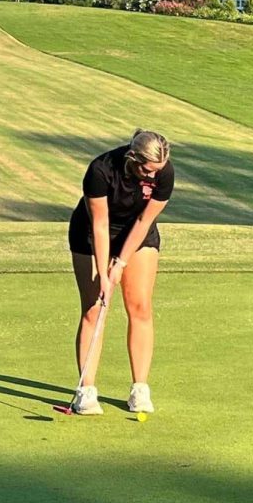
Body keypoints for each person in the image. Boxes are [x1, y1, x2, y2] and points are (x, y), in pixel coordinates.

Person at [67, 129, 174, 415]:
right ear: (133, 159)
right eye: (148, 171)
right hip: (91, 234)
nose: (153, 177)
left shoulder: (164, 173)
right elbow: (99, 225)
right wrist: (104, 273)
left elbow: (144, 219)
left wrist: (121, 262)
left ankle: (140, 389)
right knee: (94, 308)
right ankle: (86, 391)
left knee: (139, 306)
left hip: (136, 234)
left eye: (158, 171)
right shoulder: (101, 170)